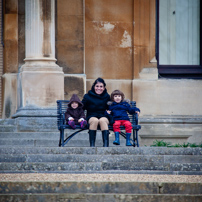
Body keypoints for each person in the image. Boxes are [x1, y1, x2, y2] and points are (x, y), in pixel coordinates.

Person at [82, 78, 111, 147]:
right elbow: (81, 107)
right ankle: (92, 146)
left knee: (102, 120)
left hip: (103, 116)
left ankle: (106, 146)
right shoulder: (87, 96)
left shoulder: (107, 96)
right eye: (97, 86)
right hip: (91, 116)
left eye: (101, 86)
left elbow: (111, 107)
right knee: (94, 120)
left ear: (104, 88)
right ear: (94, 86)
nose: (99, 88)